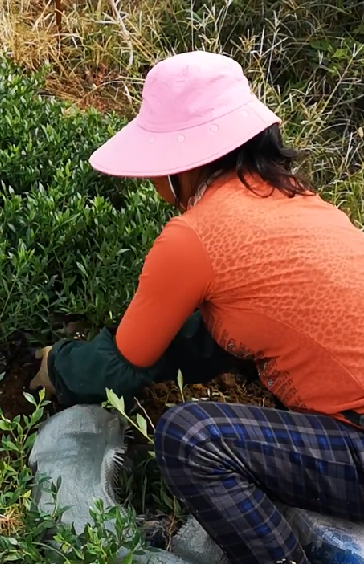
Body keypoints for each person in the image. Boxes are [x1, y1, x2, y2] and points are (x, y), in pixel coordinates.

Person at [29, 51, 364, 564]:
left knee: (191, 437)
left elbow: (129, 357)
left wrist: (59, 366)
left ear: (177, 163)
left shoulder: (195, 238)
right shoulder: (304, 204)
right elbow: (213, 336)